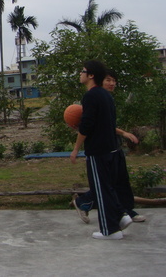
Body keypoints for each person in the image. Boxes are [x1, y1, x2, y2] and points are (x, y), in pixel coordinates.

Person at [72, 69, 146, 223]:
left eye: (114, 81)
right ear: (99, 80)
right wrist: (76, 148)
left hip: (112, 147)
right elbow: (90, 125)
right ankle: (93, 207)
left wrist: (123, 133)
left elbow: (105, 124)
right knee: (105, 185)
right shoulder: (93, 97)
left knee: (118, 182)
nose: (112, 83)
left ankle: (123, 210)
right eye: (108, 80)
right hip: (101, 150)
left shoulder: (105, 98)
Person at [70, 60, 132, 240]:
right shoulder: (105, 95)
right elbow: (106, 123)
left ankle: (109, 230)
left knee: (101, 189)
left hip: (98, 151)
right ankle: (120, 216)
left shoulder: (90, 96)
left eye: (83, 71)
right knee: (105, 187)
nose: (80, 74)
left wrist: (75, 149)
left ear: (90, 75)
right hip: (111, 149)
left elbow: (87, 126)